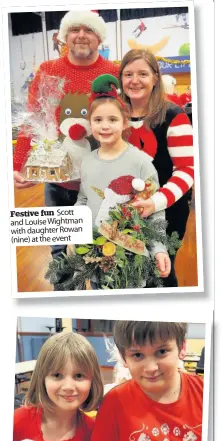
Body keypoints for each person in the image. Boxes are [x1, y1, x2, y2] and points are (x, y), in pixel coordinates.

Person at [13, 10, 119, 257]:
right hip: (56, 182)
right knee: (61, 257)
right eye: (75, 29)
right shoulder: (47, 70)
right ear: (64, 35)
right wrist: (18, 165)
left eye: (89, 29)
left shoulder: (112, 72)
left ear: (99, 37)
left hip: (101, 184)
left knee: (100, 256)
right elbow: (33, 121)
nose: (81, 35)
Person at [75, 75, 171, 283]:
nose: (105, 126)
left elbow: (155, 210)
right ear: (90, 124)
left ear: (125, 121)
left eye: (112, 119)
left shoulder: (141, 162)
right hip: (96, 259)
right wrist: (74, 235)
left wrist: (159, 248)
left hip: (132, 258)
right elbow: (83, 200)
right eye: (98, 120)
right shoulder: (87, 162)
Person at [118, 50, 194, 287]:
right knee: (129, 273)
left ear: (155, 78)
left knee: (160, 273)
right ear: (121, 79)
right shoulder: (116, 115)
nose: (135, 80)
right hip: (123, 212)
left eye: (143, 73)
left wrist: (154, 203)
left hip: (167, 212)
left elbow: (187, 169)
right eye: (128, 74)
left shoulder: (174, 115)